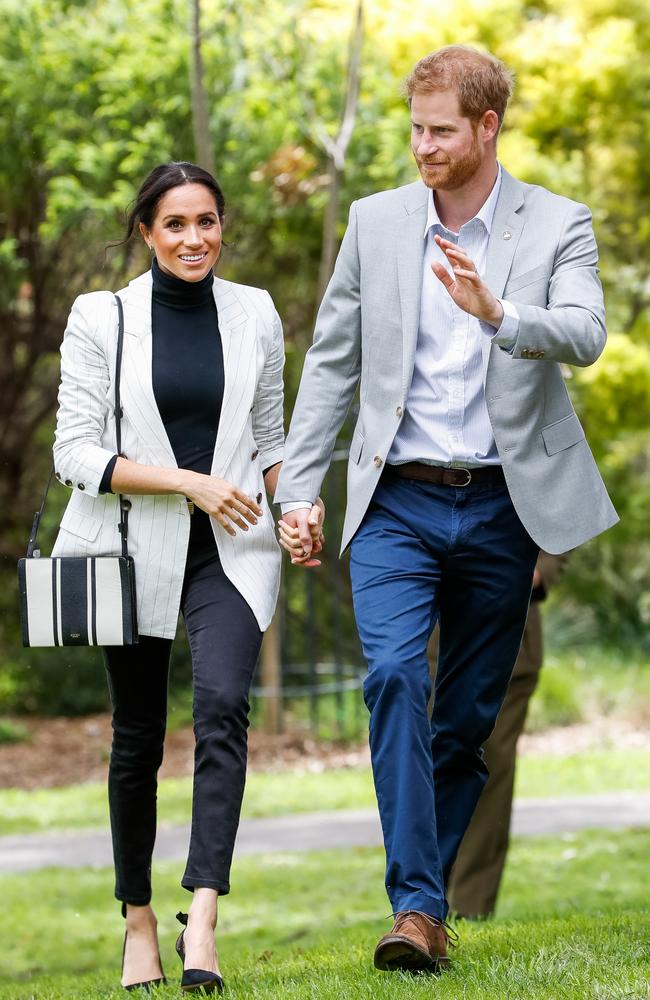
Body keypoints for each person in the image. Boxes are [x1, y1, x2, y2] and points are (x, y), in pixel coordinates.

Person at [275, 45, 617, 974]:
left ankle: (424, 909)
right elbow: (335, 363)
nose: (422, 145)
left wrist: (499, 310)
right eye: (414, 128)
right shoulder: (377, 223)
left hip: (506, 505)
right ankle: (417, 909)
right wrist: (299, 487)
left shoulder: (557, 223)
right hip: (397, 501)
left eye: (439, 130)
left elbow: (585, 333)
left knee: (466, 720)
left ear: (487, 127)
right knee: (393, 677)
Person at [52, 161, 322, 993]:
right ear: (146, 232)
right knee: (136, 739)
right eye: (175, 224)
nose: (194, 239)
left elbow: (273, 438)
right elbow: (75, 453)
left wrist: (296, 506)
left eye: (206, 221)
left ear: (221, 225)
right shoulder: (104, 317)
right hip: (131, 550)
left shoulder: (256, 312)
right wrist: (189, 482)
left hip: (230, 552)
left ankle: (201, 917)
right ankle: (137, 920)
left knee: (221, 709)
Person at [428, 551, 568, 918]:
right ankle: (421, 906)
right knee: (432, 764)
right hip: (435, 639)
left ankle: (471, 909)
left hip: (512, 634)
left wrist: (541, 569)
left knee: (491, 770)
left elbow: (567, 499)